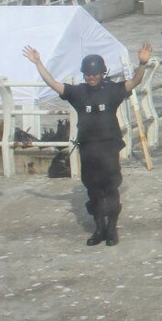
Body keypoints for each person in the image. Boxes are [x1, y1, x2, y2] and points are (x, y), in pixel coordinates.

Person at [23, 44, 152, 246]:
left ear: (102, 73)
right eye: (87, 74)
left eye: (94, 74)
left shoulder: (112, 90)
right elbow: (52, 83)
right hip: (88, 150)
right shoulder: (78, 92)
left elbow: (135, 81)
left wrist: (142, 63)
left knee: (110, 188)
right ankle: (99, 227)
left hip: (109, 149)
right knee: (93, 190)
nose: (91, 77)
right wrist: (38, 62)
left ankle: (111, 228)